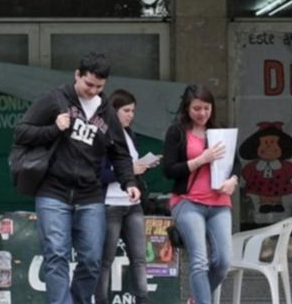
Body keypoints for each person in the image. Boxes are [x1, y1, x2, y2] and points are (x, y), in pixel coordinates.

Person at [13, 52, 140, 304]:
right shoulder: (55, 99)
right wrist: (53, 128)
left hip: (90, 194)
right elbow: (21, 132)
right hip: (53, 191)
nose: (92, 90)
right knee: (56, 255)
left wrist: (130, 182)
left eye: (99, 87)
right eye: (88, 84)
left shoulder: (107, 113)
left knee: (92, 259)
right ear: (77, 75)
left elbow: (120, 153)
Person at [162, 84, 241, 304]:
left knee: (224, 260)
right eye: (197, 108)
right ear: (187, 108)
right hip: (188, 202)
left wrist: (233, 181)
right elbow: (169, 170)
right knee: (199, 260)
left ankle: (196, 300)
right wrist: (200, 160)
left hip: (219, 202)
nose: (203, 113)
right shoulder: (177, 132)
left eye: (207, 108)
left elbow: (236, 164)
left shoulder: (219, 131)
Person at [94, 89, 158, 304]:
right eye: (126, 110)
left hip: (132, 203)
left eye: (133, 111)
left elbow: (130, 168)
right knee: (106, 260)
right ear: (113, 111)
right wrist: (129, 170)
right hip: (110, 203)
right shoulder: (102, 136)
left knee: (139, 258)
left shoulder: (130, 135)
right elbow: (98, 173)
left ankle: (143, 299)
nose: (130, 115)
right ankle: (101, 300)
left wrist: (141, 167)